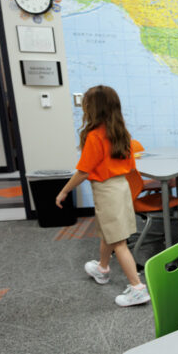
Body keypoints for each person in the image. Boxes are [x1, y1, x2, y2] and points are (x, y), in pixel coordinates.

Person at [56, 85, 150, 307]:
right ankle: (103, 268)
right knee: (108, 233)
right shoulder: (121, 133)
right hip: (120, 188)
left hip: (107, 191)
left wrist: (64, 190)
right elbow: (129, 166)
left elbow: (83, 171)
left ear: (93, 108)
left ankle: (137, 288)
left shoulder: (95, 136)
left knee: (118, 241)